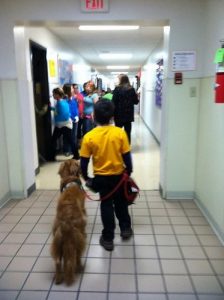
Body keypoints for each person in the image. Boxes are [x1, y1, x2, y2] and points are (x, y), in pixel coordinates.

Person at [80, 100, 133, 251]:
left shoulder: (89, 137)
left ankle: (108, 238)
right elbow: (127, 157)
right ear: (112, 116)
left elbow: (83, 163)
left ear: (94, 115)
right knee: (121, 203)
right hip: (118, 176)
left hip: (101, 179)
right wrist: (128, 172)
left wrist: (87, 178)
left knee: (106, 205)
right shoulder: (120, 133)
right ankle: (125, 228)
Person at [49, 87, 79, 161]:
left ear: (58, 95)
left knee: (58, 140)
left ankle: (76, 155)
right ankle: (76, 155)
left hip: (64, 125)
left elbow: (64, 115)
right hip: (63, 125)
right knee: (68, 140)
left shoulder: (61, 103)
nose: (53, 95)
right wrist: (52, 108)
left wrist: (56, 114)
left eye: (54, 94)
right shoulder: (63, 102)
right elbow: (59, 111)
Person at [112, 74, 139, 143]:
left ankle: (118, 146)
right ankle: (126, 148)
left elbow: (113, 102)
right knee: (127, 132)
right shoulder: (131, 89)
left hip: (118, 114)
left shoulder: (117, 89)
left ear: (121, 80)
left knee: (117, 132)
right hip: (128, 114)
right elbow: (136, 102)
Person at [62, 84, 79, 158]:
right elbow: (66, 110)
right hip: (68, 120)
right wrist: (72, 117)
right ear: (68, 90)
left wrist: (77, 116)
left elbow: (75, 108)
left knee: (73, 136)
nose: (73, 90)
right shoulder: (65, 99)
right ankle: (67, 150)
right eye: (72, 88)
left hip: (75, 120)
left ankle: (73, 150)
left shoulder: (73, 98)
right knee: (67, 136)